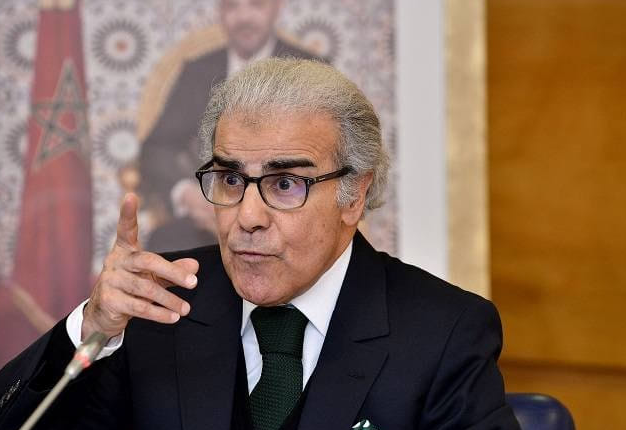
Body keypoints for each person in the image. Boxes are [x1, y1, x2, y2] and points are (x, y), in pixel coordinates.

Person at [0, 59, 520, 430]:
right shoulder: (159, 305)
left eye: (285, 183)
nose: (247, 218)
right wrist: (90, 327)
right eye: (230, 180)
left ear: (354, 196)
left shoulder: (443, 333)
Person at [139, 0, 320, 252]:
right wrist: (187, 194)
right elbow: (157, 148)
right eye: (231, 6)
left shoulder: (311, 70)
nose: (243, 17)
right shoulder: (197, 72)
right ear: (220, 11)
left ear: (277, 7)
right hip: (211, 219)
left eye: (256, 4)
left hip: (288, 214)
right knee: (164, 244)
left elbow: (326, 154)